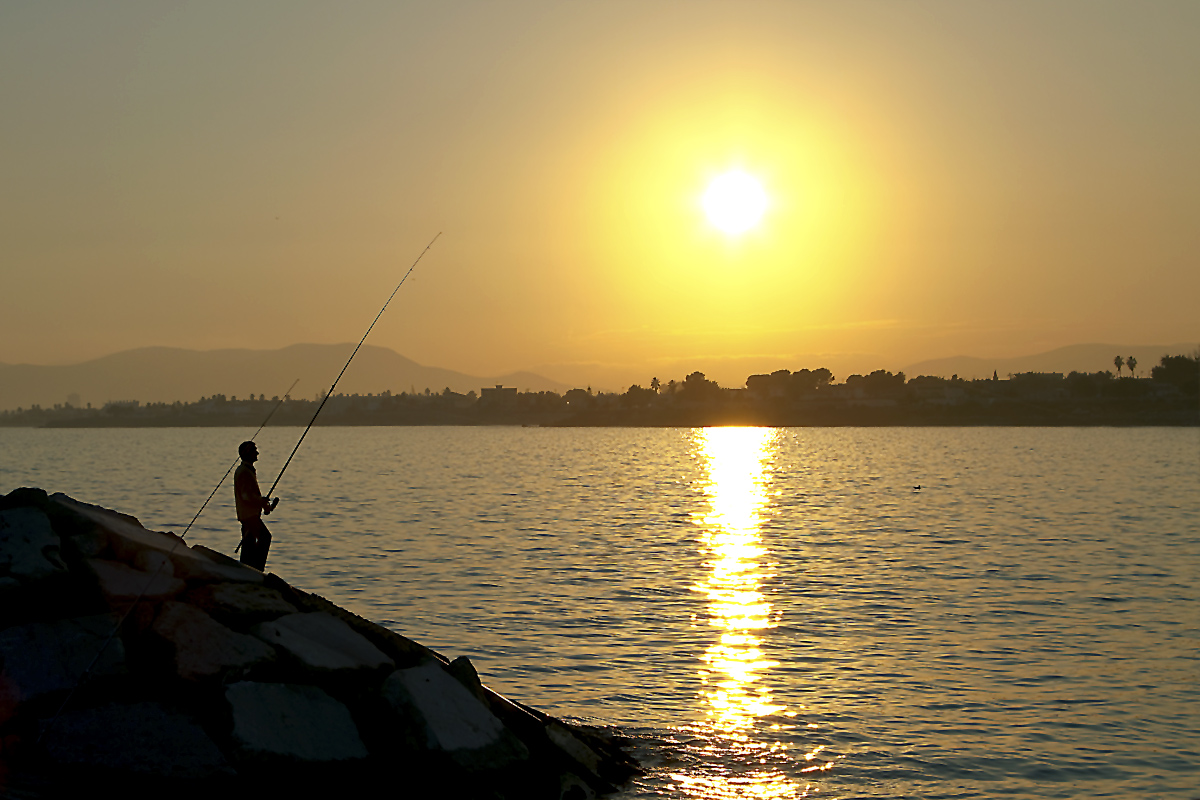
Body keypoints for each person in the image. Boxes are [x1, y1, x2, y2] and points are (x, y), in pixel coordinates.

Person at [234, 440, 278, 570]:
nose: (257, 453)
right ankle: (256, 569)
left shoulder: (248, 470)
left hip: (250, 514)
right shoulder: (243, 472)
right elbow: (246, 496)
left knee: (250, 542)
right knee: (265, 537)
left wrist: (265, 506)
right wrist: (261, 501)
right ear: (247, 453)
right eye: (254, 450)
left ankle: (247, 568)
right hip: (248, 516)